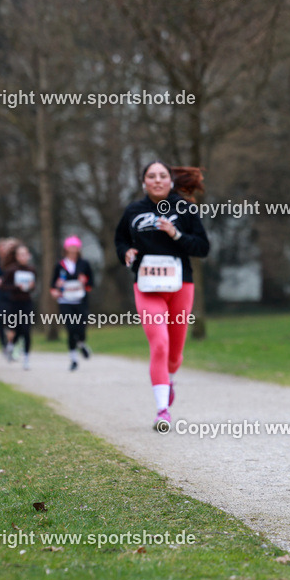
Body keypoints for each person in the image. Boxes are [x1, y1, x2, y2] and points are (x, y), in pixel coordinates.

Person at [115, 161, 209, 429]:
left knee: (175, 355)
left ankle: (169, 378)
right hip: (147, 288)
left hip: (181, 286)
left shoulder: (185, 208)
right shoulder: (133, 211)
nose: (157, 180)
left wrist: (176, 233)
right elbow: (120, 240)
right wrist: (126, 253)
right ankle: (162, 410)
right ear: (144, 182)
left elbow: (202, 247)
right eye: (151, 176)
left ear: (170, 181)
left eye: (162, 175)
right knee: (158, 344)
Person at [49, 235, 94, 371]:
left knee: (81, 328)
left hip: (80, 301)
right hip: (65, 301)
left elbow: (91, 283)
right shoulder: (60, 265)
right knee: (70, 328)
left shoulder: (84, 264)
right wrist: (55, 290)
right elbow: (52, 285)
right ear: (66, 248)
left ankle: (81, 343)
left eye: (75, 247)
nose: (73, 250)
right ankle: (73, 359)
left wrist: (85, 282)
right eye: (71, 247)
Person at [0, 243, 37, 370]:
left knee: (26, 330)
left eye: (25, 254)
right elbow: (3, 286)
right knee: (15, 329)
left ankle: (26, 358)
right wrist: (16, 287)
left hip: (27, 303)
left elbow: (33, 288)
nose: (23, 257)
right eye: (21, 254)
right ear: (16, 256)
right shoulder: (11, 270)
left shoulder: (31, 270)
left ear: (28, 255)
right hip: (14, 303)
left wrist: (31, 287)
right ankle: (11, 345)